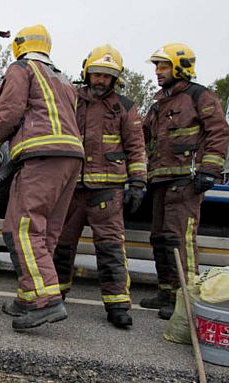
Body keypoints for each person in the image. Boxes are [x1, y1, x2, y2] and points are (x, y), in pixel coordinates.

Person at [0, 25, 84, 330]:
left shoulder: (22, 68)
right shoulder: (62, 78)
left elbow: (9, 111)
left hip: (41, 154)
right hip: (71, 157)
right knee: (45, 231)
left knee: (23, 228)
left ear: (20, 46)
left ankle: (46, 301)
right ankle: (28, 297)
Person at [50, 45, 146, 329]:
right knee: (60, 247)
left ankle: (117, 306)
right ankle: (55, 297)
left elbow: (136, 147)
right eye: (96, 74)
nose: (101, 80)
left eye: (107, 75)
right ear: (86, 72)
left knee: (110, 249)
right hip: (71, 188)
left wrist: (138, 181)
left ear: (115, 78)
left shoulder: (125, 106)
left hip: (107, 189)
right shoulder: (71, 98)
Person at [141, 43, 229, 320]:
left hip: (186, 180)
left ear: (180, 67)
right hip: (160, 180)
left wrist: (209, 169)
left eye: (163, 66)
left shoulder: (199, 96)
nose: (157, 71)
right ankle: (166, 291)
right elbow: (142, 137)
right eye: (156, 66)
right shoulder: (159, 104)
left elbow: (218, 132)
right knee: (160, 238)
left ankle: (186, 300)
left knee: (180, 240)